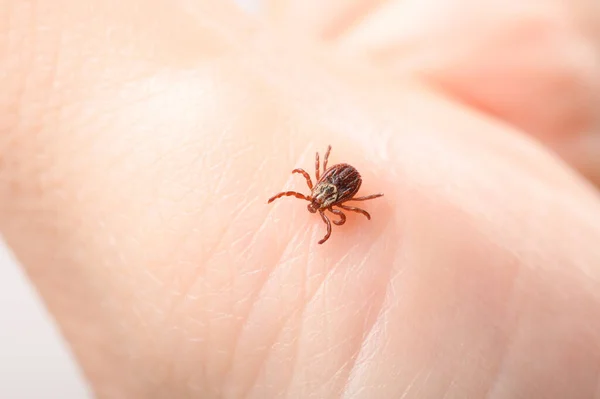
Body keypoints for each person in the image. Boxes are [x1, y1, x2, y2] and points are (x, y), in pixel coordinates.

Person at [1, 0, 600, 397]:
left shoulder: (323, 190)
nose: (318, 204)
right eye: (319, 202)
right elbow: (345, 193)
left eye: (317, 203)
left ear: (314, 193)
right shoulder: (331, 194)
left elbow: (335, 189)